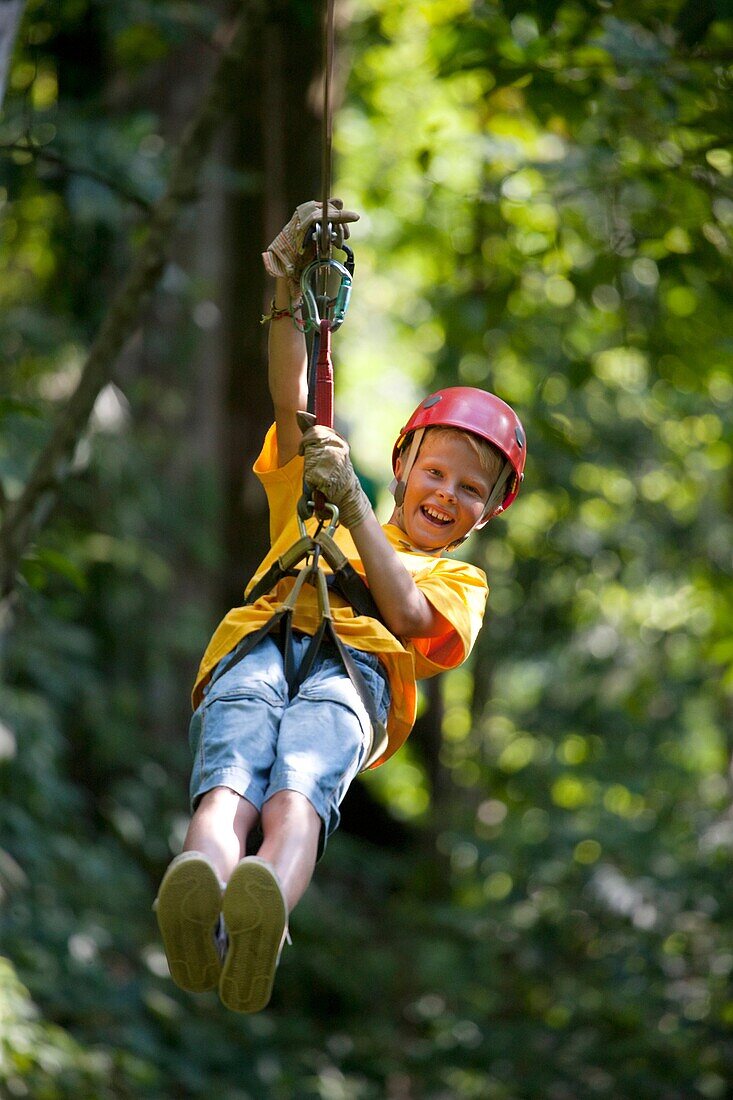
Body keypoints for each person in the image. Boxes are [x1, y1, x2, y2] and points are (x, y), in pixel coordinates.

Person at [155, 200, 527, 1014]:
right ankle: (201, 884)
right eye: (436, 473)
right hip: (260, 643)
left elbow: (415, 621)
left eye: (471, 490)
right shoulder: (312, 491)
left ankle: (261, 909)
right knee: (228, 788)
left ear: (488, 513)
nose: (446, 496)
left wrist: (354, 506)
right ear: (405, 461)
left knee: (296, 794)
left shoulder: (458, 580)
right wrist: (288, 293)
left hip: (350, 678)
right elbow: (292, 392)